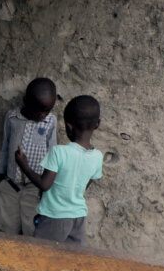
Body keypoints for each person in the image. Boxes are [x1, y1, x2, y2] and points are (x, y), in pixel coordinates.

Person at [14, 95, 103, 245]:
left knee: (42, 256)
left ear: (69, 126)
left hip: (54, 216)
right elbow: (84, 185)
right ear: (97, 124)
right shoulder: (98, 156)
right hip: (78, 217)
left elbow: (44, 184)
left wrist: (24, 166)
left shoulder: (59, 152)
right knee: (71, 260)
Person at [0, 78, 57, 235]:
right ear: (26, 103)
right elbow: (5, 146)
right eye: (39, 110)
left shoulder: (50, 121)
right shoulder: (12, 118)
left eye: (47, 110)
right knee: (7, 227)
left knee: (32, 229)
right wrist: (1, 176)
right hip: (10, 184)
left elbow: (52, 152)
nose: (43, 115)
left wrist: (47, 186)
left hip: (34, 187)